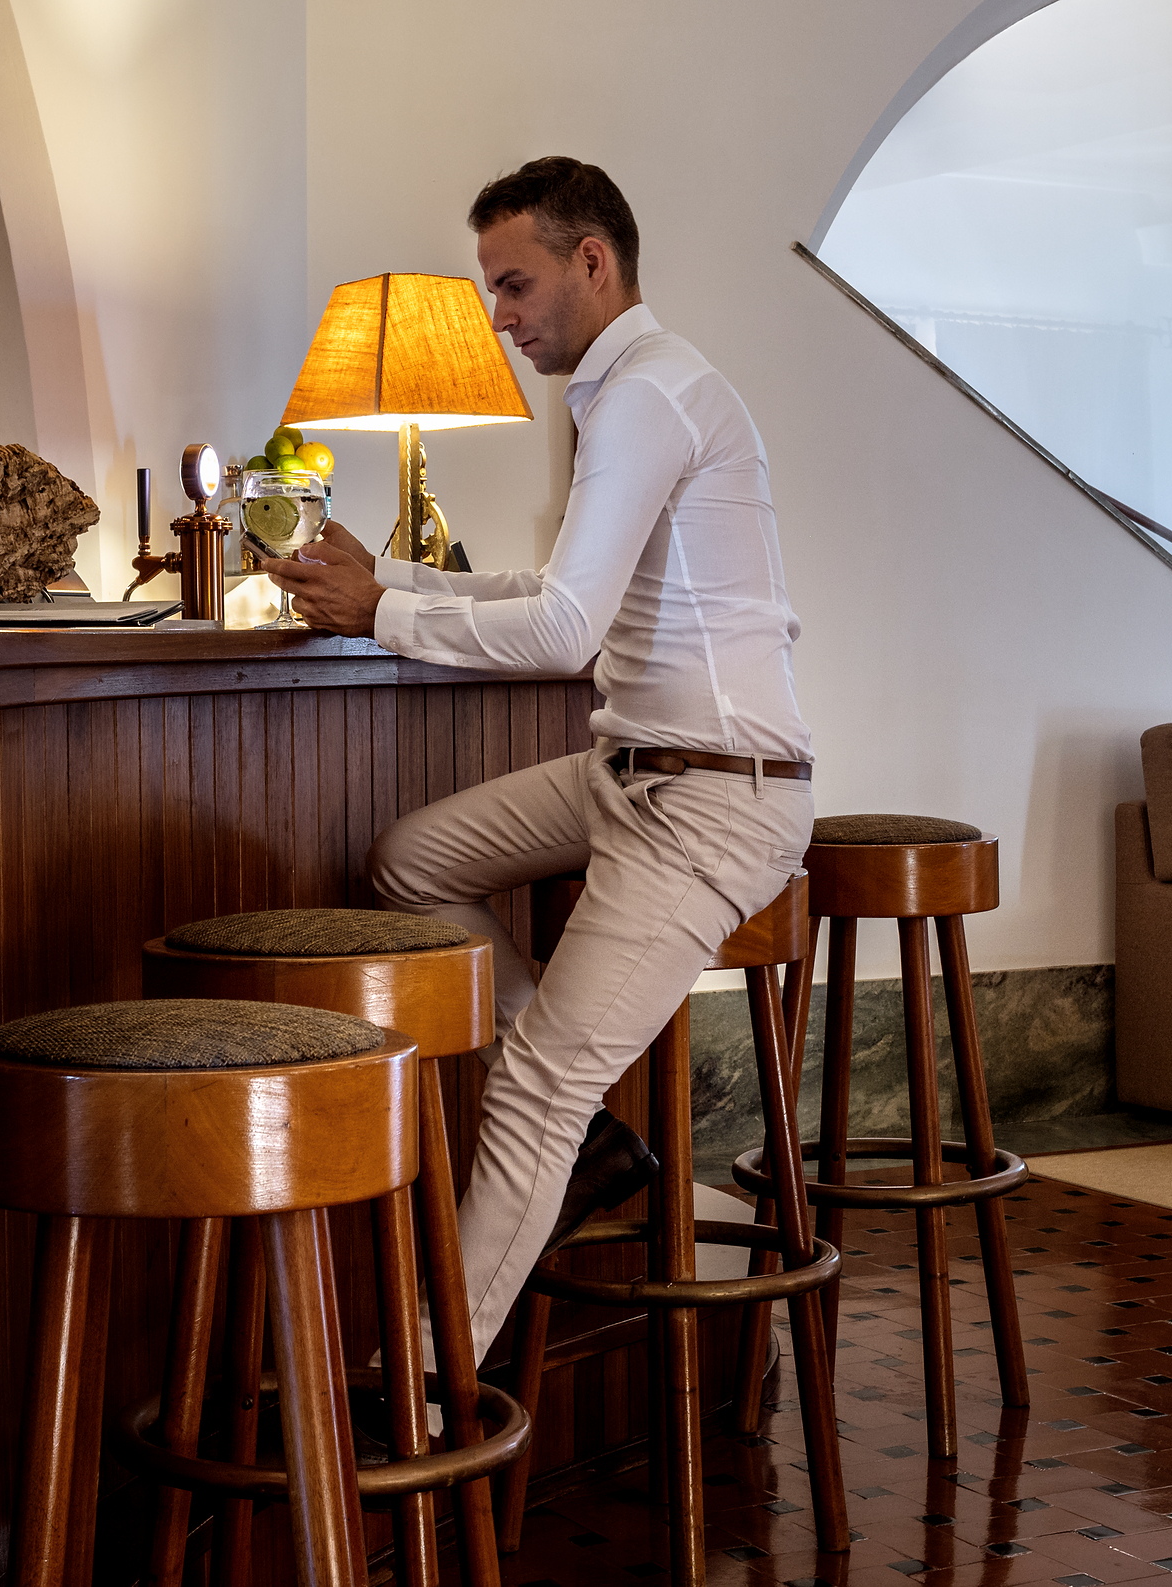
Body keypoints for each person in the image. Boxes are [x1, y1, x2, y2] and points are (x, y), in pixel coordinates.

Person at [261, 156, 813, 1355]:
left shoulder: (649, 396)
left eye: (512, 287)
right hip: (632, 774)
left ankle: (420, 1378)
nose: (499, 318)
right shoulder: (621, 397)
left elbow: (561, 633)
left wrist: (379, 615)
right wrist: (391, 575)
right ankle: (593, 1140)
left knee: (532, 1088)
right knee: (411, 863)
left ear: (591, 261)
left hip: (716, 801)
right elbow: (566, 593)